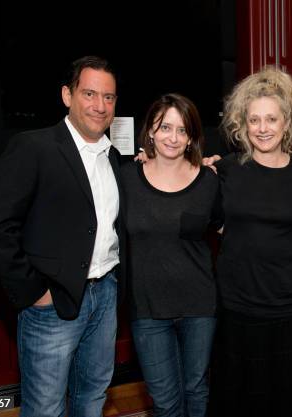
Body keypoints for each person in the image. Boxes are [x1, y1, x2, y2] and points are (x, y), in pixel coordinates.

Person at [0, 56, 125, 417]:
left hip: (105, 295)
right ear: (67, 95)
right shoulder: (33, 148)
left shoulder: (113, 157)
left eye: (108, 97)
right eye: (90, 93)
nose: (100, 105)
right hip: (52, 305)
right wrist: (34, 293)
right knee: (44, 407)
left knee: (92, 396)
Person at [209, 67, 292, 417]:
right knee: (241, 396)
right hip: (239, 302)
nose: (263, 128)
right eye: (254, 120)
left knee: (286, 396)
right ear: (243, 124)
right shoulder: (224, 169)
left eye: (272, 119)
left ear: (288, 122)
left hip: (290, 302)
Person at [121, 94, 220, 417]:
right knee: (164, 400)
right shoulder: (126, 179)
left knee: (197, 390)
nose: (173, 138)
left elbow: (226, 230)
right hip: (148, 310)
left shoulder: (209, 181)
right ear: (150, 130)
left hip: (199, 307)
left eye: (182, 130)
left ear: (191, 136)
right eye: (165, 127)